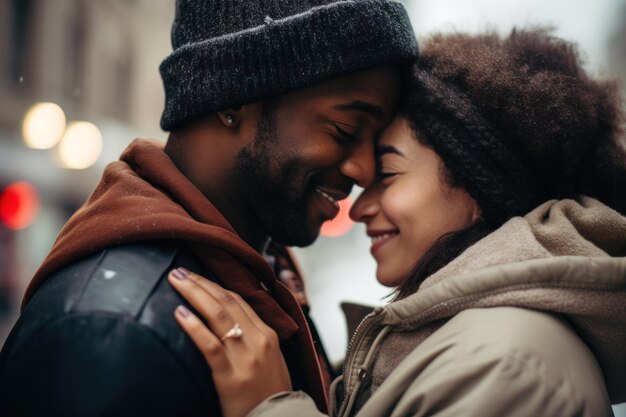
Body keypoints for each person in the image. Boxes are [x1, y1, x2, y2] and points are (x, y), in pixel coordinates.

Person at [168, 28, 626, 417]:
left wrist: (269, 404)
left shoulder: (506, 364)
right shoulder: (476, 344)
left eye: (387, 174)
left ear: (477, 189)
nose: (360, 204)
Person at [0, 1, 418, 415]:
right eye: (344, 129)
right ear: (233, 97)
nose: (365, 170)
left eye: (375, 140)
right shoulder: (111, 334)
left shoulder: (261, 276)